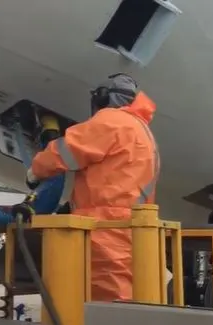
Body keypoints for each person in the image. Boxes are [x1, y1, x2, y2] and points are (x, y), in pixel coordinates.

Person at [26, 73, 160, 301]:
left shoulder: (111, 121)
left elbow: (67, 151)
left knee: (106, 295)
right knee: (127, 291)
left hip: (104, 227)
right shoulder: (141, 129)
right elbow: (116, 180)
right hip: (132, 225)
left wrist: (35, 170)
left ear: (104, 98)